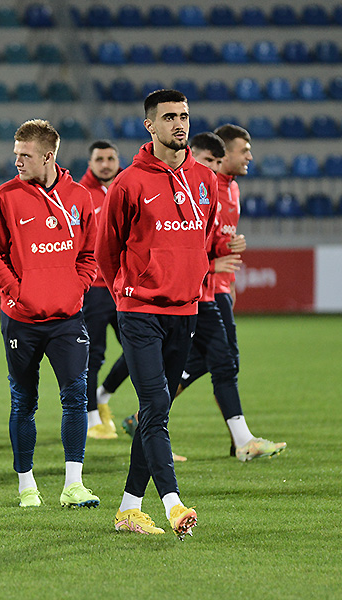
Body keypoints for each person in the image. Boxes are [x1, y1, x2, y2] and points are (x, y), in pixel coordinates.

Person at [96, 89, 228, 539]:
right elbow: (106, 250)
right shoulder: (128, 183)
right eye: (169, 117)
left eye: (184, 116)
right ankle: (174, 504)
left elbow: (203, 238)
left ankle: (128, 509)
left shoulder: (205, 180)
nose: (179, 124)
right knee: (155, 406)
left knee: (157, 412)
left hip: (185, 310)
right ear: (149, 125)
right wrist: (126, 293)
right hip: (139, 310)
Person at [0, 120, 100, 509]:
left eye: (25, 155)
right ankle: (27, 486)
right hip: (22, 321)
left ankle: (73, 485)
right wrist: (14, 291)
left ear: (48, 156)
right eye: (15, 154)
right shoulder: (6, 196)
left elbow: (90, 254)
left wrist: (77, 286)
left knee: (76, 397)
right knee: (24, 402)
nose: (17, 161)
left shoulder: (79, 197)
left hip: (67, 319)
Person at [177, 127, 286, 462]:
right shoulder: (190, 192)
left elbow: (211, 242)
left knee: (210, 361)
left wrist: (227, 267)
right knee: (222, 361)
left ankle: (238, 440)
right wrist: (215, 264)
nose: (249, 156)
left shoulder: (227, 189)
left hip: (213, 289)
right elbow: (182, 250)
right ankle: (242, 441)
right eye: (244, 150)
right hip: (195, 292)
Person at [78, 140, 129, 440]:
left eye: (110, 158)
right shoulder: (80, 193)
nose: (106, 164)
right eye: (100, 159)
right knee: (93, 355)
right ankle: (92, 418)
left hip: (125, 285)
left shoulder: (128, 187)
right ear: (91, 163)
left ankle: (103, 395)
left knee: (139, 350)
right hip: (96, 288)